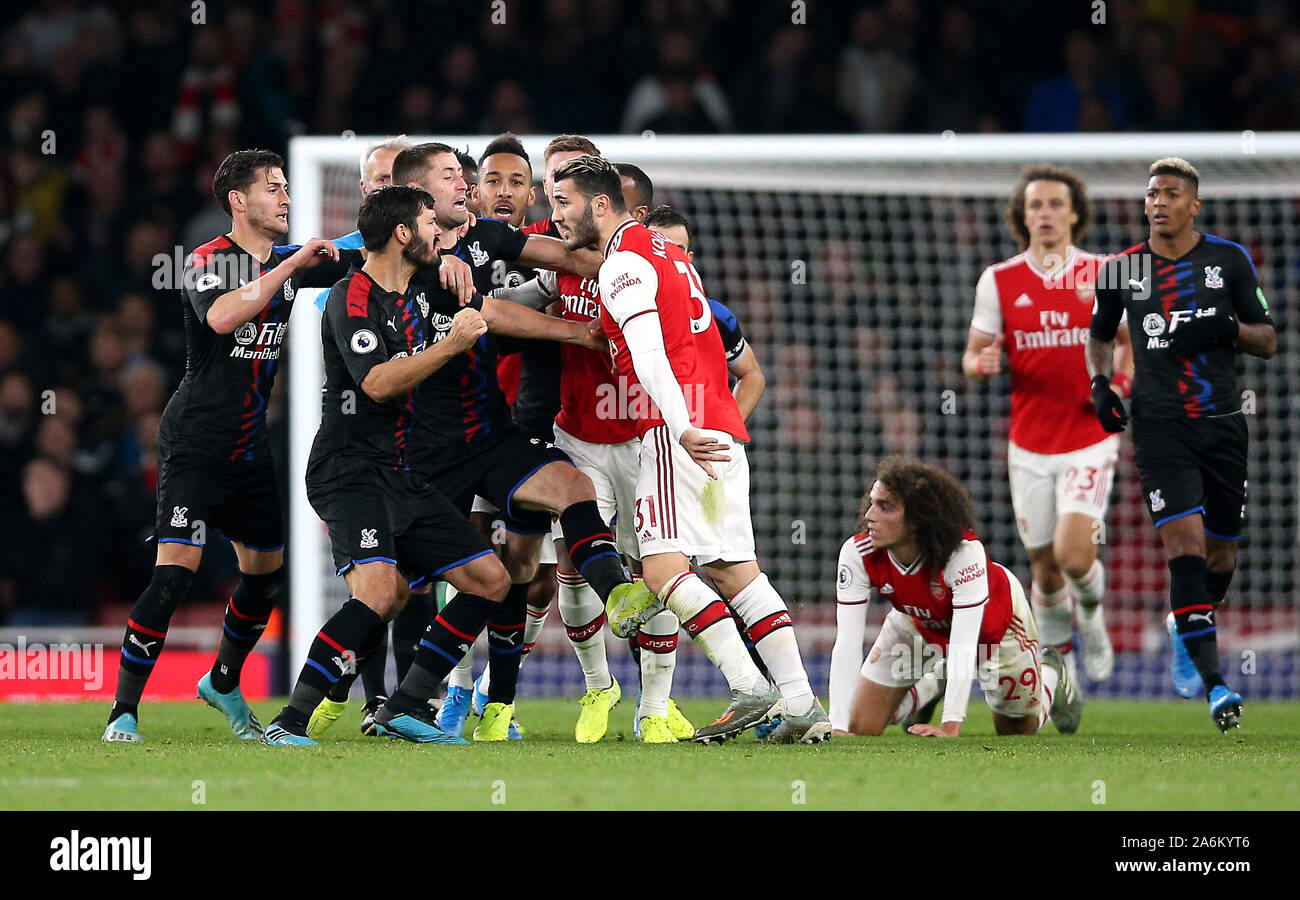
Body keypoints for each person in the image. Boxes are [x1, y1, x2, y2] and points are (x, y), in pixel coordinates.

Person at [552, 154, 828, 743]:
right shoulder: (673, 258)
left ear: (601, 205)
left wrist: (677, 427)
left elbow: (651, 355)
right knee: (735, 571)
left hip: (679, 430)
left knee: (660, 569)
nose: (556, 216)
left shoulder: (625, 263)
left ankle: (748, 687)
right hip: (720, 425)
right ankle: (803, 704)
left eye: (563, 202)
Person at [102, 149, 362, 743]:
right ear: (239, 202)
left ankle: (222, 679)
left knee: (265, 574)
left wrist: (415, 226)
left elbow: (364, 256)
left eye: (287, 189)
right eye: (274, 189)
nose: (287, 199)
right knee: (174, 575)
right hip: (195, 443)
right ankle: (123, 713)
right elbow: (223, 317)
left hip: (249, 449)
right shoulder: (206, 261)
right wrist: (289, 266)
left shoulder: (288, 260)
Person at [1088, 157, 1275, 732]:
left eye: (1172, 193)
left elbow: (1268, 339)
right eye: (1152, 193)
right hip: (1160, 426)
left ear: (1194, 205)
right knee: (1185, 547)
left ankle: (1183, 626)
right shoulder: (1121, 270)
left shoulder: (1229, 260)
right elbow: (1099, 336)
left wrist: (1225, 328)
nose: (1159, 201)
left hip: (1222, 424)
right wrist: (1100, 385)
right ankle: (1218, 686)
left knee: (1220, 556)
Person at [962, 164, 1133, 685]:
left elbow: (1127, 346)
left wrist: (1117, 390)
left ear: (1075, 214)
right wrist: (980, 366)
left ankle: (1093, 619)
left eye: (1056, 204)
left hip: (1089, 437)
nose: (1046, 213)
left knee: (1073, 553)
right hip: (1029, 444)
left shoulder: (1103, 273)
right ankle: (1062, 664)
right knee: (1043, 569)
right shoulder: (999, 279)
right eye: (1036, 204)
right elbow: (972, 358)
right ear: (1023, 215)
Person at [832, 458, 1082, 737]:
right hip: (917, 622)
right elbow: (847, 644)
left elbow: (964, 646)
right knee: (861, 726)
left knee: (1017, 729)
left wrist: (950, 727)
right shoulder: (858, 553)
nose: (869, 515)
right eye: (871, 502)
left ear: (916, 520)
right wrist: (837, 726)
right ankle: (933, 682)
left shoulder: (963, 554)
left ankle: (1050, 673)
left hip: (995, 631)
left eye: (885, 506)